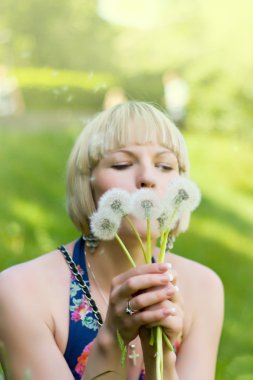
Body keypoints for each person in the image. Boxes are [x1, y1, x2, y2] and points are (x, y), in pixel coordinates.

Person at [0, 102, 224, 380]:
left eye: (164, 165)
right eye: (122, 164)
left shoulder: (202, 288)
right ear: (87, 184)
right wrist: (111, 340)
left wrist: (161, 357)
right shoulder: (21, 292)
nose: (147, 178)